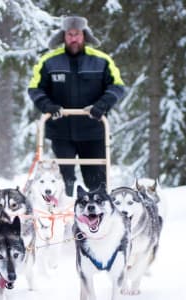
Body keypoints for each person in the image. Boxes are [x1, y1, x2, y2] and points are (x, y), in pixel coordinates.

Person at [28, 16, 125, 197]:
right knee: (65, 179)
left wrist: (101, 105)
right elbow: (35, 88)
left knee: (96, 180)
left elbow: (117, 86)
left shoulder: (102, 61)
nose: (74, 38)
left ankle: (99, 216)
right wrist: (48, 105)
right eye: (70, 34)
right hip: (61, 130)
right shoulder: (49, 62)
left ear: (84, 35)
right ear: (63, 36)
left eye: (77, 34)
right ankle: (65, 217)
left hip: (93, 129)